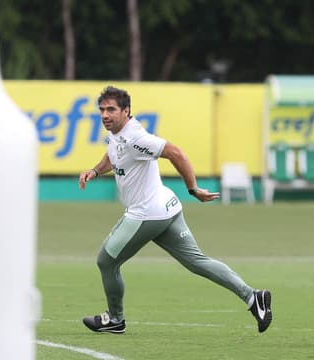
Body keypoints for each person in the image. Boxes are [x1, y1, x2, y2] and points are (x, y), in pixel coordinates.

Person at [78, 85, 272, 334]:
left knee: (106, 262)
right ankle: (252, 297)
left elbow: (176, 153)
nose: (105, 114)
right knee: (197, 261)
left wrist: (193, 188)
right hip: (166, 209)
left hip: (146, 214)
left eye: (111, 110)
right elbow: (113, 156)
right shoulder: (117, 134)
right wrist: (95, 171)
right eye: (102, 110)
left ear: (126, 111)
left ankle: (115, 319)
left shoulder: (136, 138)